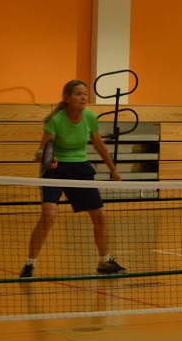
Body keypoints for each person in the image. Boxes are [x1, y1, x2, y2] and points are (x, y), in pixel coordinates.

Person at [22, 79, 125, 278]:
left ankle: (105, 262)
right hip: (55, 170)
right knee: (49, 216)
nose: (84, 97)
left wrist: (113, 170)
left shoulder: (89, 117)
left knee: (100, 217)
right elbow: (40, 152)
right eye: (78, 94)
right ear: (67, 98)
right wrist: (46, 160)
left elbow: (99, 145)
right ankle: (29, 265)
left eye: (85, 93)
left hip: (80, 169)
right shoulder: (56, 120)